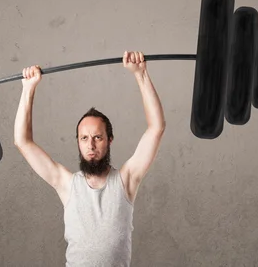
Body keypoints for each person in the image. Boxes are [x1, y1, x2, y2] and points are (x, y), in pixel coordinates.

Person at [14, 51, 166, 266]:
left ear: (109, 140)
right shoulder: (66, 184)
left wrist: (141, 75)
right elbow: (23, 142)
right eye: (84, 138)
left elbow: (156, 128)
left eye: (97, 137)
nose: (91, 145)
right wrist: (28, 90)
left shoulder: (126, 181)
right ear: (78, 141)